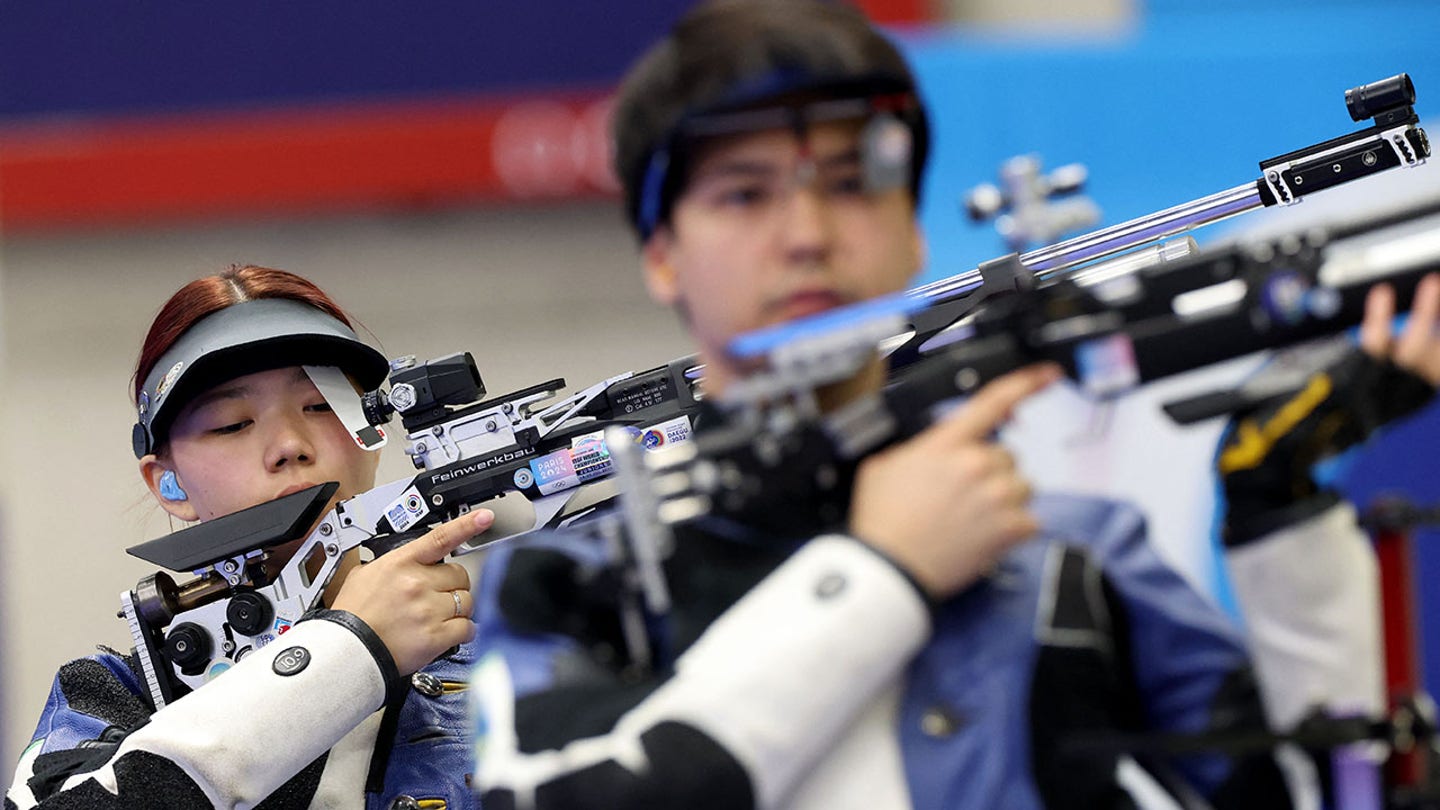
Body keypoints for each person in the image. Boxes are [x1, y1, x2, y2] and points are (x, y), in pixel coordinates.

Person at [469, 2, 1440, 808]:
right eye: (744, 194)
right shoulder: (574, 579)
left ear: (911, 234)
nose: (806, 233)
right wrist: (884, 572)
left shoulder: (1072, 555)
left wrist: (1277, 502)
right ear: (660, 253)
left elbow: (1318, 791)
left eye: (852, 184)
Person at [7, 265, 492, 809]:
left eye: (321, 406)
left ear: (373, 436)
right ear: (168, 484)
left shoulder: (514, 633)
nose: (289, 444)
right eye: (233, 423)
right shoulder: (116, 694)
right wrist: (349, 652)